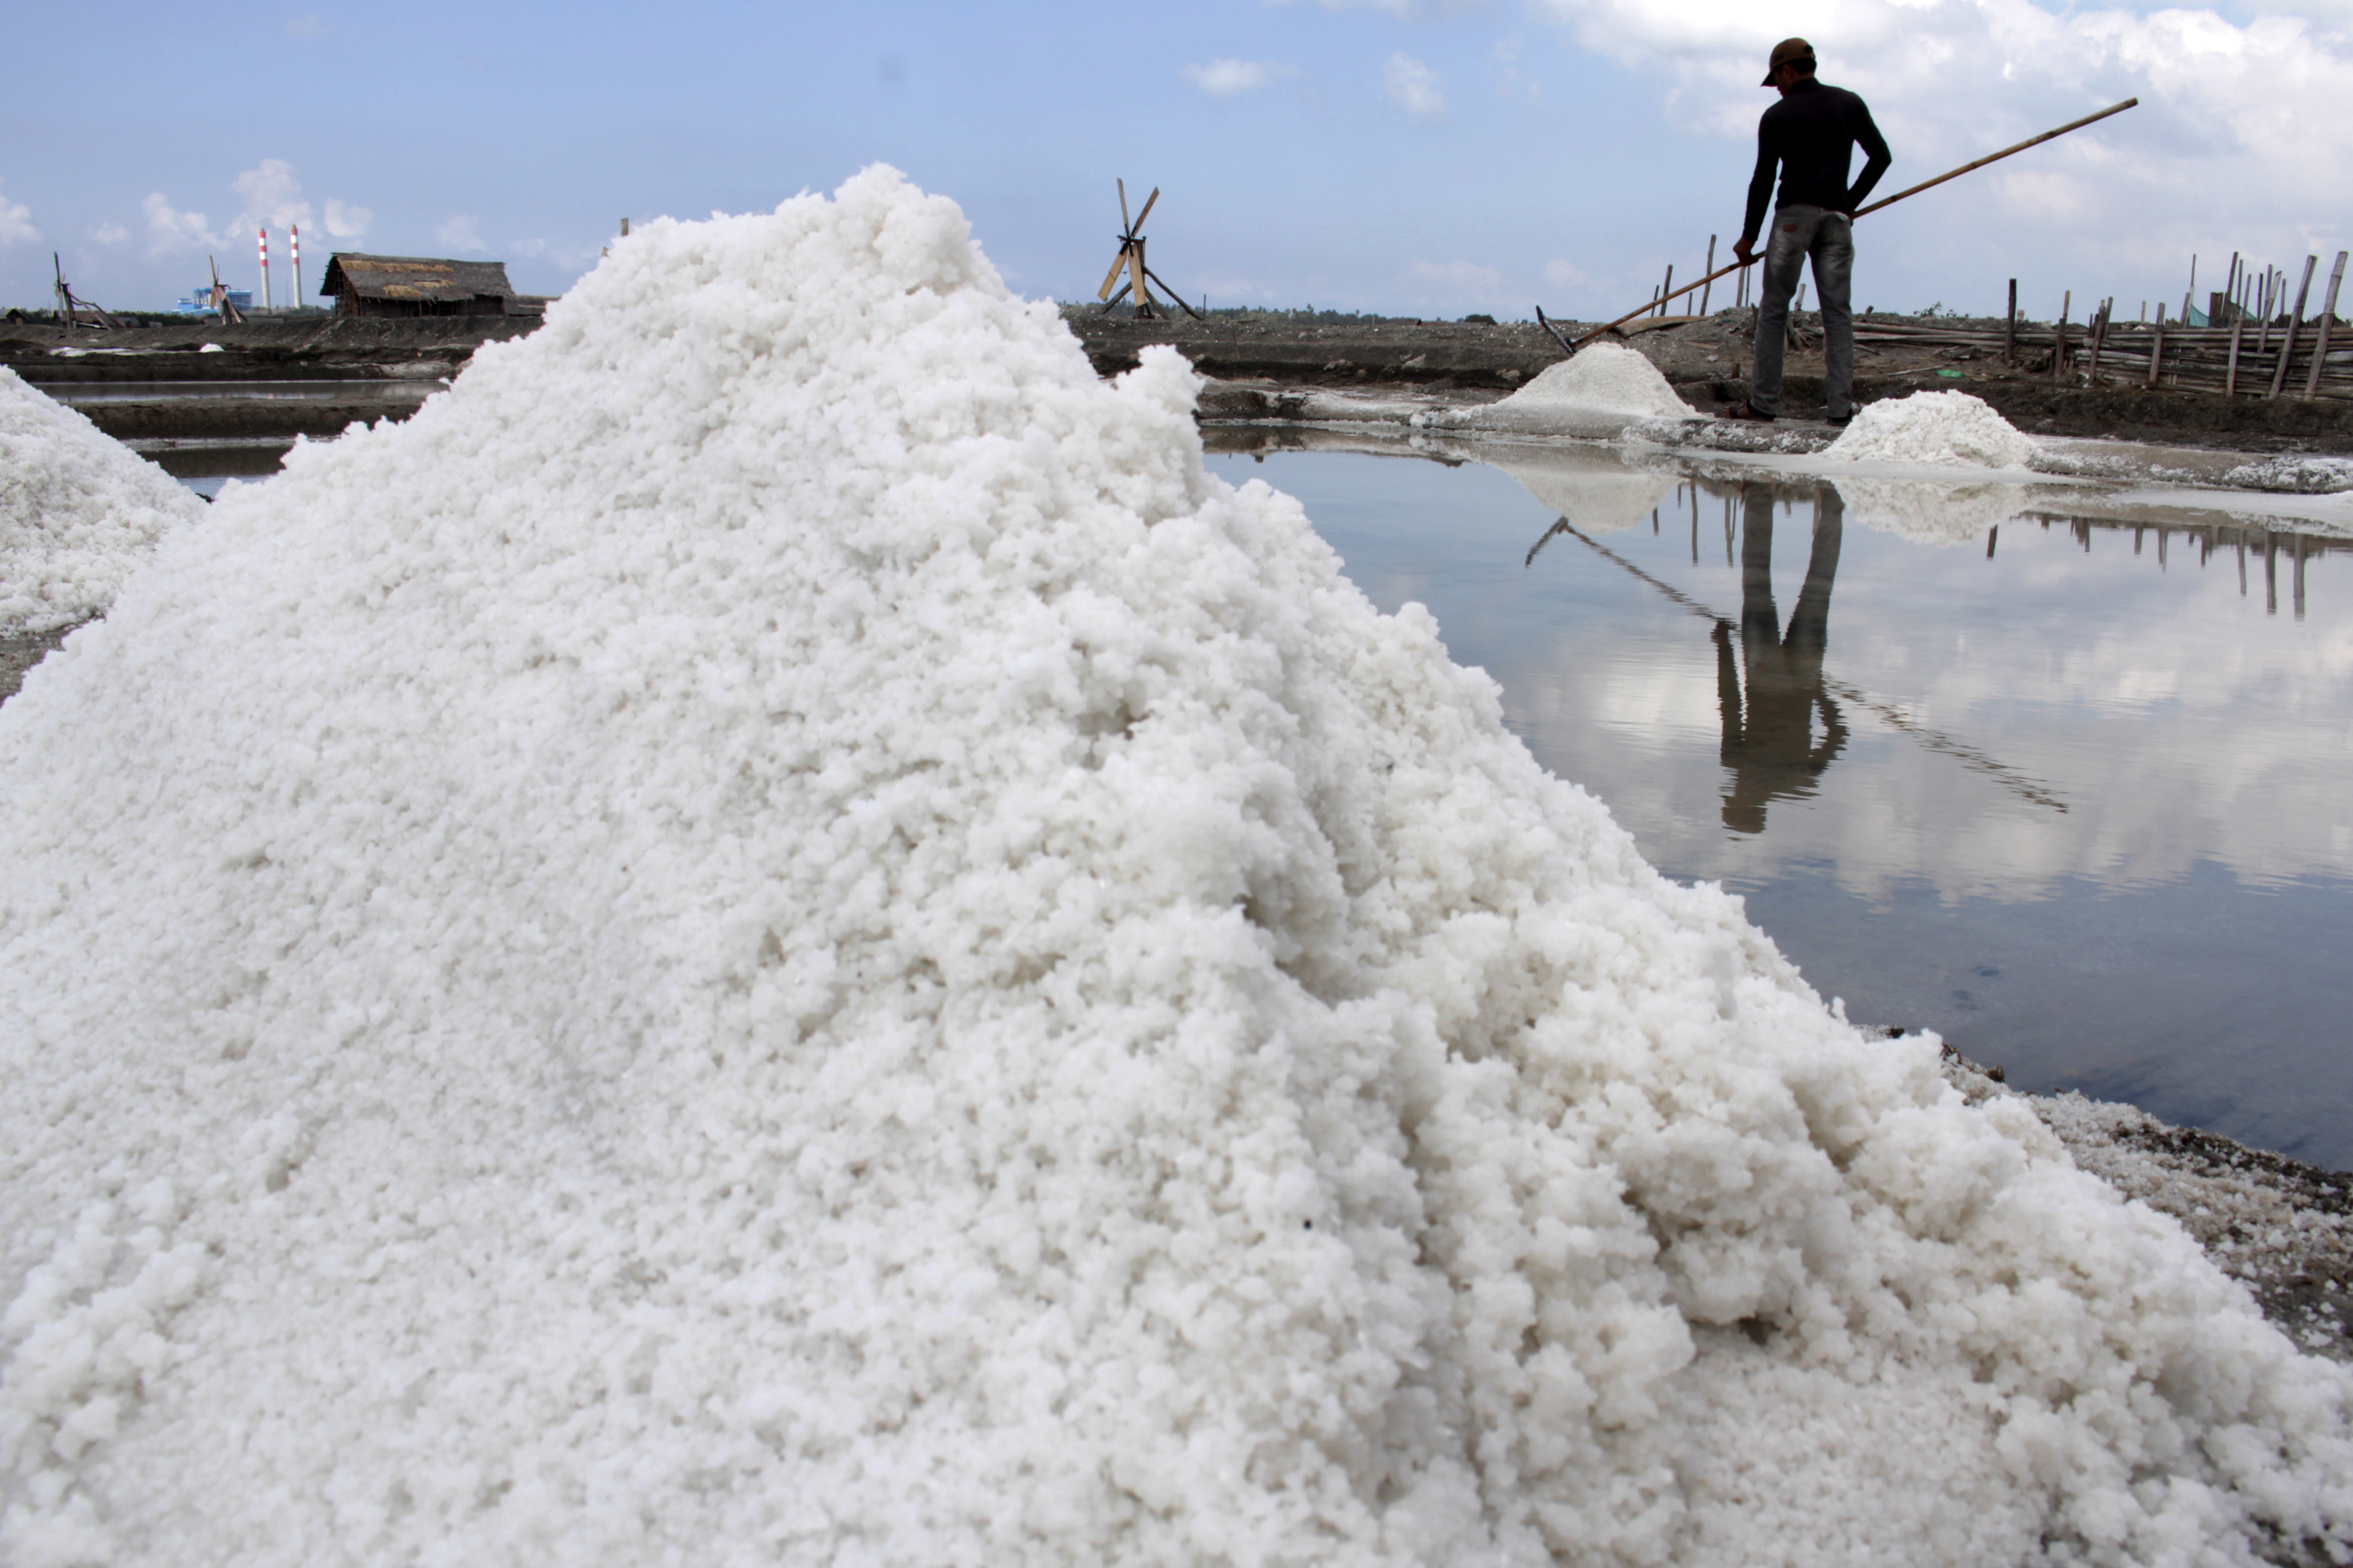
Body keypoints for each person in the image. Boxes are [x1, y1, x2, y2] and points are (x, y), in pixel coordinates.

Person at [1728, 39, 1890, 425]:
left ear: (1787, 71)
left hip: (1792, 221)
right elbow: (1881, 157)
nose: (1778, 89)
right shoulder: (1849, 103)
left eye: (1777, 81)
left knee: (1774, 311)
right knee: (1838, 314)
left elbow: (1764, 179)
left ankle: (1763, 405)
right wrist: (1849, 203)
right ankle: (1840, 410)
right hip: (1837, 220)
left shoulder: (1777, 115)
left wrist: (1749, 238)